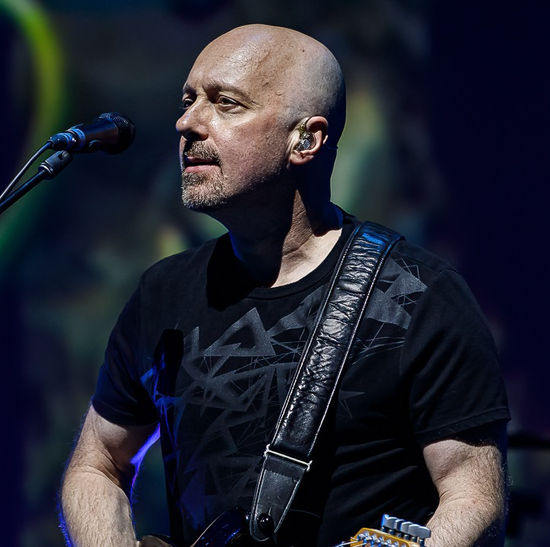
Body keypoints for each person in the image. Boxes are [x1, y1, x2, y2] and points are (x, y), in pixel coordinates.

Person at [59, 24, 510, 547]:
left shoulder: (420, 295)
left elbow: (474, 500)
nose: (187, 122)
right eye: (188, 100)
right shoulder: (164, 291)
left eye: (225, 103)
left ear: (306, 140)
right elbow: (97, 463)